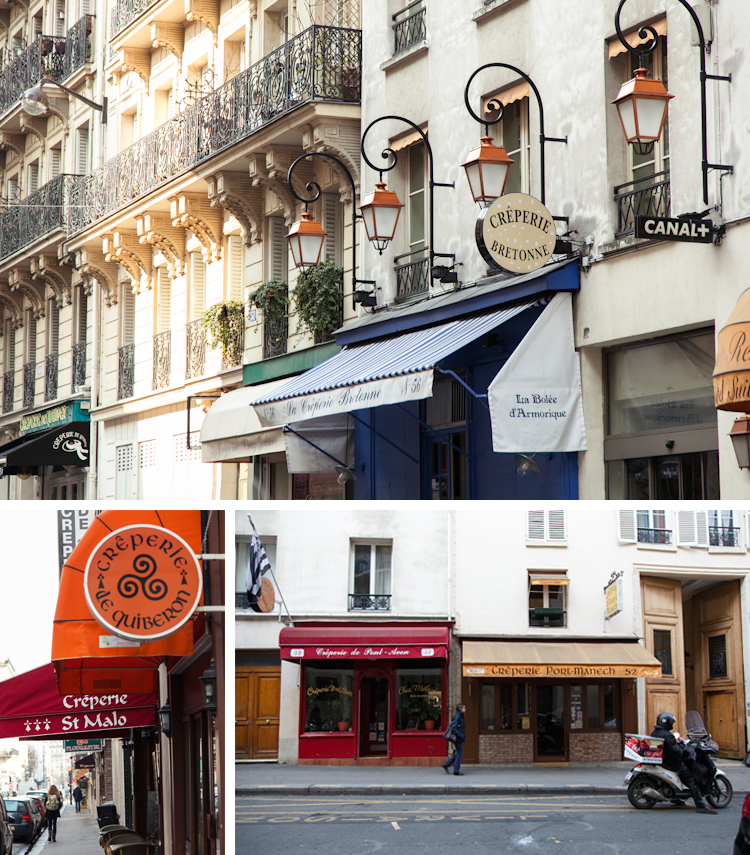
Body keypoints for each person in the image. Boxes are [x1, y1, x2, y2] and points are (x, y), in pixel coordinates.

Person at [651, 712, 716, 814]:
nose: (672, 725)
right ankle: (701, 805)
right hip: (674, 762)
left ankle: (676, 798)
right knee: (691, 781)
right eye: (671, 723)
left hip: (664, 760)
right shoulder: (668, 735)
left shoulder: (655, 733)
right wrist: (682, 746)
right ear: (666, 723)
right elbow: (676, 751)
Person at [442, 703, 467, 776]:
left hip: (458, 737)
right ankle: (456, 771)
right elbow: (454, 728)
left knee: (459, 752)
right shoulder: (458, 716)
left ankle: (447, 764)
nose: (465, 709)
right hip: (458, 738)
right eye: (464, 707)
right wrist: (460, 735)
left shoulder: (460, 716)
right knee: (460, 753)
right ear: (460, 709)